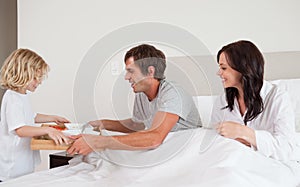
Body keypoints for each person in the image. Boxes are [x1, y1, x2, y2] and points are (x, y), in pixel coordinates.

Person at [67, 44, 202, 155]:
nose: (127, 77)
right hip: (162, 149)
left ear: (150, 71)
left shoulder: (173, 94)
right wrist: (102, 123)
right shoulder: (141, 93)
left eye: (131, 71)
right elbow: (137, 125)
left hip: (185, 152)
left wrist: (98, 142)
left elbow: (155, 138)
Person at [212, 40, 297, 161]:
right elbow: (215, 142)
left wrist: (245, 133)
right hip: (233, 162)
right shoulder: (222, 101)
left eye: (224, 68)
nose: (218, 73)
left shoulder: (277, 97)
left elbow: (287, 149)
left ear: (242, 68)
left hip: (270, 165)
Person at [0, 49, 70, 181]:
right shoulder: (12, 98)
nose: (39, 82)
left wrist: (52, 118)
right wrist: (47, 130)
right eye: (35, 78)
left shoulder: (22, 95)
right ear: (22, 73)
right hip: (12, 165)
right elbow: (20, 129)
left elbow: (30, 116)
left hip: (23, 158)